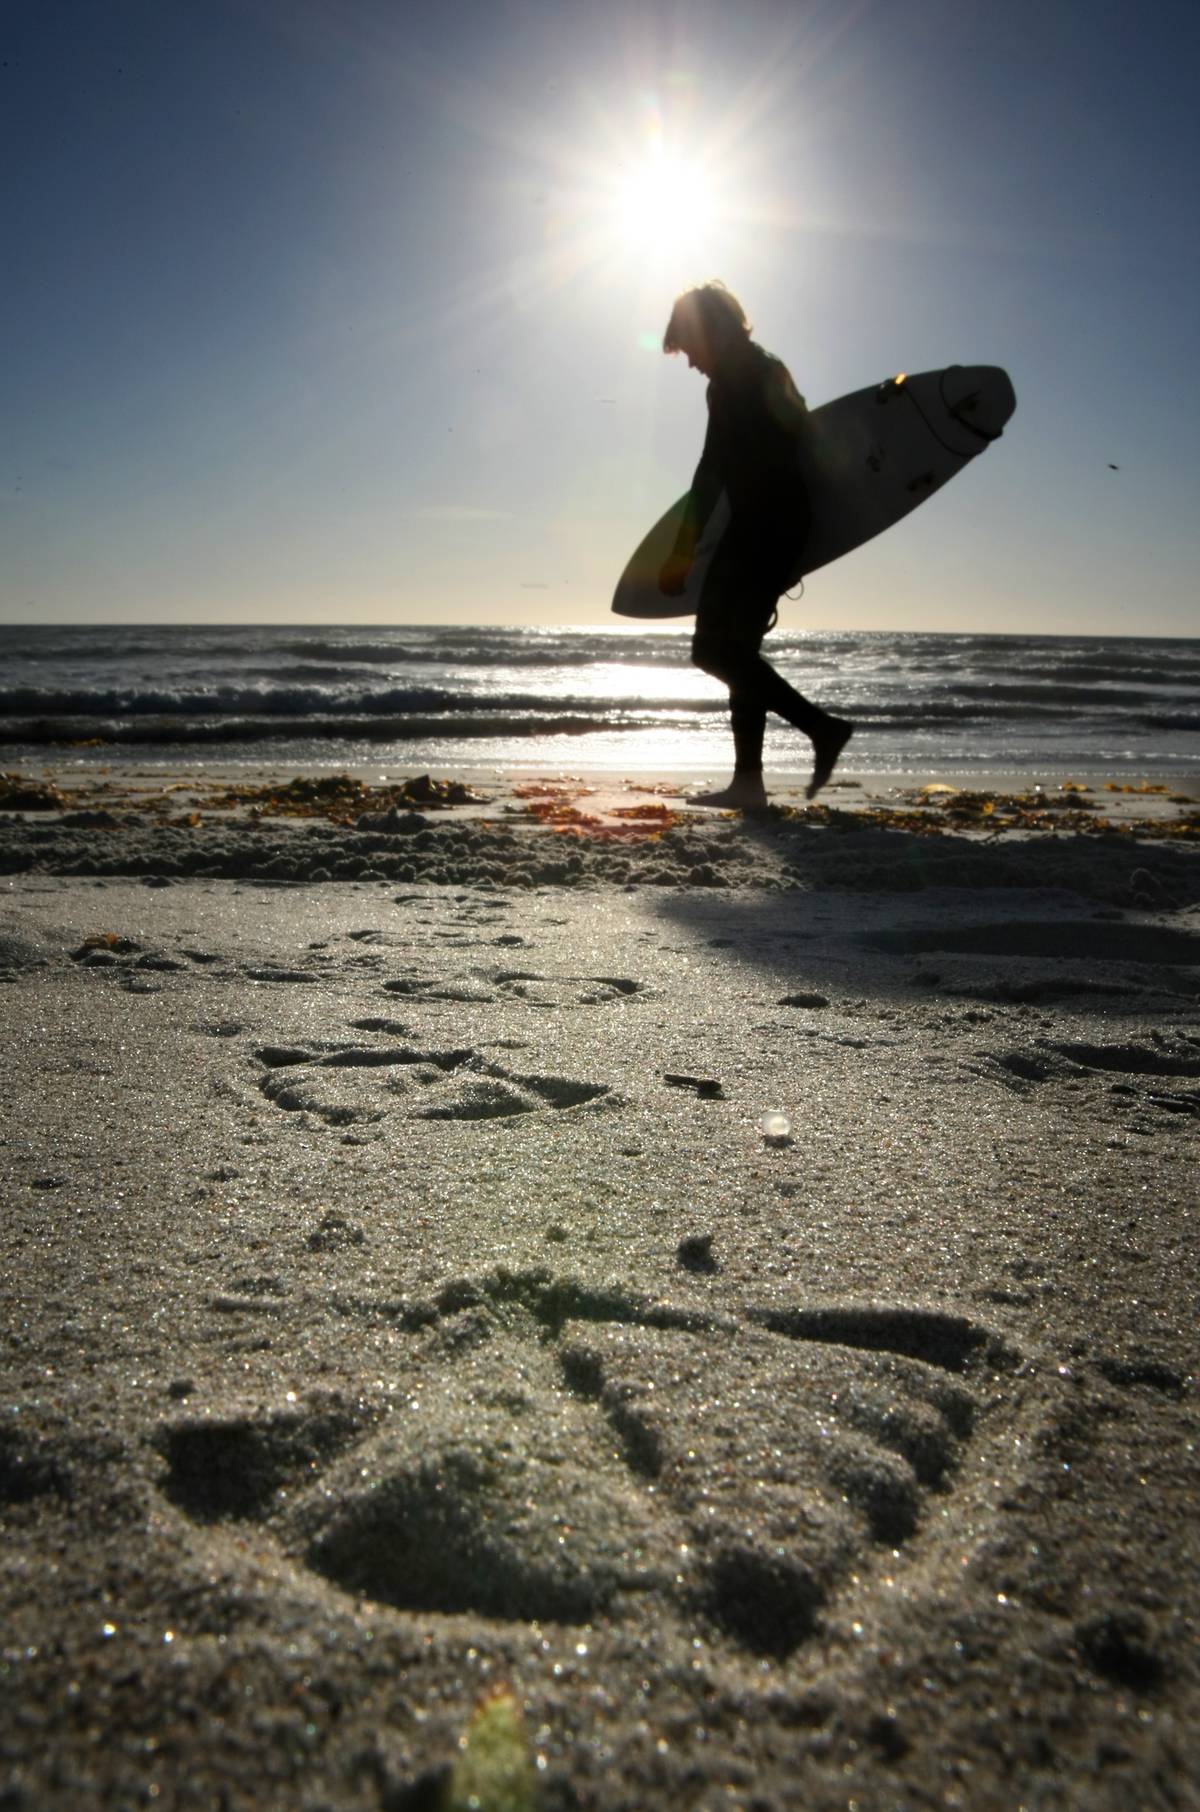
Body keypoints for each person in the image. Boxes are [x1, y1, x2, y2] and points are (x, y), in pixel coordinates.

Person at [659, 282, 853, 807]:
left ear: (709, 331)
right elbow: (807, 441)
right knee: (739, 652)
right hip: (784, 524)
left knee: (712, 649)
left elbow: (711, 473)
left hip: (761, 527)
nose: (693, 362)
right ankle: (749, 784)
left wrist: (682, 552)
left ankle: (821, 729)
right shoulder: (769, 368)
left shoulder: (732, 380)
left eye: (691, 347)